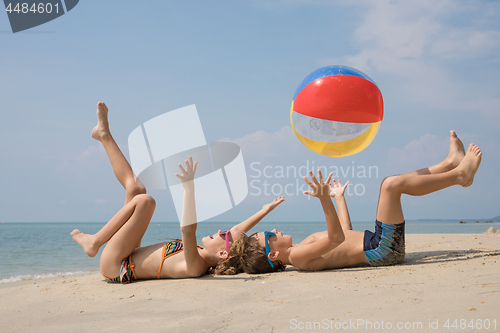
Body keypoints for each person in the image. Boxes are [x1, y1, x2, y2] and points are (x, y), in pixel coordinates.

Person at [71, 102, 285, 283]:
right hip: (127, 253)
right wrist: (265, 210)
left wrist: (188, 188)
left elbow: (188, 231)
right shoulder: (208, 252)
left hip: (117, 266)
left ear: (222, 253)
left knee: (146, 201)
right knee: (137, 189)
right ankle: (104, 135)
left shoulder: (196, 265)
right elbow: (238, 232)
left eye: (224, 235)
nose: (222, 230)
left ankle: (95, 242)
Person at [218, 131, 482, 274]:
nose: (273, 230)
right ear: (273, 254)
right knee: (390, 185)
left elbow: (344, 234)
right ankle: (460, 176)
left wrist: (338, 198)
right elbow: (335, 238)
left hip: (379, 245)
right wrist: (324, 201)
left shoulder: (300, 249)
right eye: (268, 235)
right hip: (382, 249)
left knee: (390, 184)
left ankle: (449, 164)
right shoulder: (297, 258)